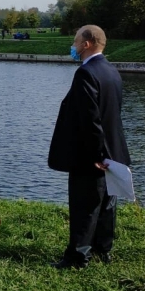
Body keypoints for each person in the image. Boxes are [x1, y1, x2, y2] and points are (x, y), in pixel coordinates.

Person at [48, 25, 130, 269]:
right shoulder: (112, 70)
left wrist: (96, 153)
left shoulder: (85, 73)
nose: (73, 46)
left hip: (90, 153)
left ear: (87, 44)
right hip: (113, 150)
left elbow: (90, 118)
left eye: (76, 41)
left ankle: (78, 257)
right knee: (106, 203)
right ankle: (102, 250)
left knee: (84, 204)